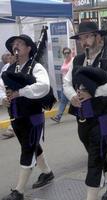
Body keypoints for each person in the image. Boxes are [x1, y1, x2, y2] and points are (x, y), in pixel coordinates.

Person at [64, 21, 107, 200]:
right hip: (83, 114)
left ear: (98, 38)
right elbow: (67, 83)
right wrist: (72, 97)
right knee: (94, 152)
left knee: (94, 157)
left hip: (104, 115)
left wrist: (94, 93)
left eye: (88, 36)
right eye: (82, 38)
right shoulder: (78, 59)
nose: (84, 41)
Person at [1, 34, 54, 200]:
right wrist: (3, 99)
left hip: (33, 117)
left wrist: (20, 92)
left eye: (20, 43)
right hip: (15, 116)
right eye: (14, 44)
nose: (16, 46)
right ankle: (47, 172)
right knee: (31, 146)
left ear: (29, 48)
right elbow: (1, 87)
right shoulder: (7, 68)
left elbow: (44, 87)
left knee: (27, 150)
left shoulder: (36, 67)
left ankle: (19, 191)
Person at [51, 47, 73, 123]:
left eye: (68, 53)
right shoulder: (64, 61)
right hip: (64, 84)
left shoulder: (73, 61)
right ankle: (58, 117)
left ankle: (83, 113)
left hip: (71, 85)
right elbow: (62, 73)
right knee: (63, 101)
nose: (66, 54)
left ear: (71, 53)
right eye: (65, 53)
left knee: (74, 100)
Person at [0, 53, 16, 138]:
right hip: (9, 95)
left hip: (21, 96)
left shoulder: (25, 66)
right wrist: (3, 97)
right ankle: (12, 128)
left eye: (11, 55)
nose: (10, 57)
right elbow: (1, 83)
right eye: (8, 56)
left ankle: (11, 129)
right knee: (12, 112)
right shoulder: (5, 68)